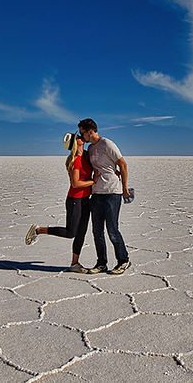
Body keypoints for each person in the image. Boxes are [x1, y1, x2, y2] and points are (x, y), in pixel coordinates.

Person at [25, 132, 95, 273]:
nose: (81, 137)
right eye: (78, 137)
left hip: (85, 200)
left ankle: (75, 264)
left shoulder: (87, 155)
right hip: (74, 200)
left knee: (81, 233)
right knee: (71, 232)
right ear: (75, 143)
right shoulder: (75, 160)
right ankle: (38, 230)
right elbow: (75, 184)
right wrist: (93, 182)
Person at [78, 118, 131, 275]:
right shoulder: (90, 148)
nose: (82, 137)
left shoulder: (107, 144)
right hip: (97, 193)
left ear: (91, 131)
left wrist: (124, 187)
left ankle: (123, 261)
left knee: (112, 230)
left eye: (83, 133)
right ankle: (101, 263)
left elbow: (123, 165)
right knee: (97, 231)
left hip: (112, 192)